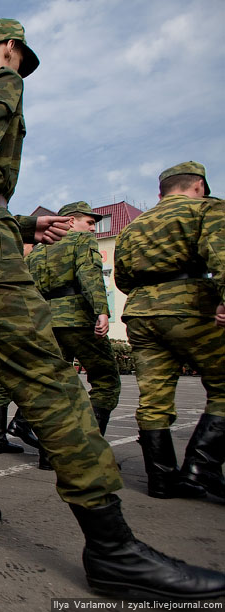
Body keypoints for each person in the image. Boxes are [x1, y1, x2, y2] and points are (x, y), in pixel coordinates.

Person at [0, 18, 225, 600]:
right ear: (9, 50)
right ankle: (112, 548)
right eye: (18, 57)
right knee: (51, 385)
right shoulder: (2, 84)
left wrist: (22, 221)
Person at [114, 161, 225, 501]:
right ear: (199, 186)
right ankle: (201, 468)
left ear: (160, 193)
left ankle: (161, 478)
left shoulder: (134, 226)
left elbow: (121, 278)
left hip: (142, 314)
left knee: (154, 398)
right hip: (192, 307)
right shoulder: (207, 209)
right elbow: (220, 255)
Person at [26, 201, 121, 436]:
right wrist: (102, 310)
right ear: (70, 222)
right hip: (77, 319)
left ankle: (49, 454)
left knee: (57, 384)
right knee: (106, 381)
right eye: (88, 222)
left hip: (47, 322)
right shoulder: (81, 240)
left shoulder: (38, 250)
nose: (92, 229)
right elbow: (89, 274)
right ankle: (92, 449)